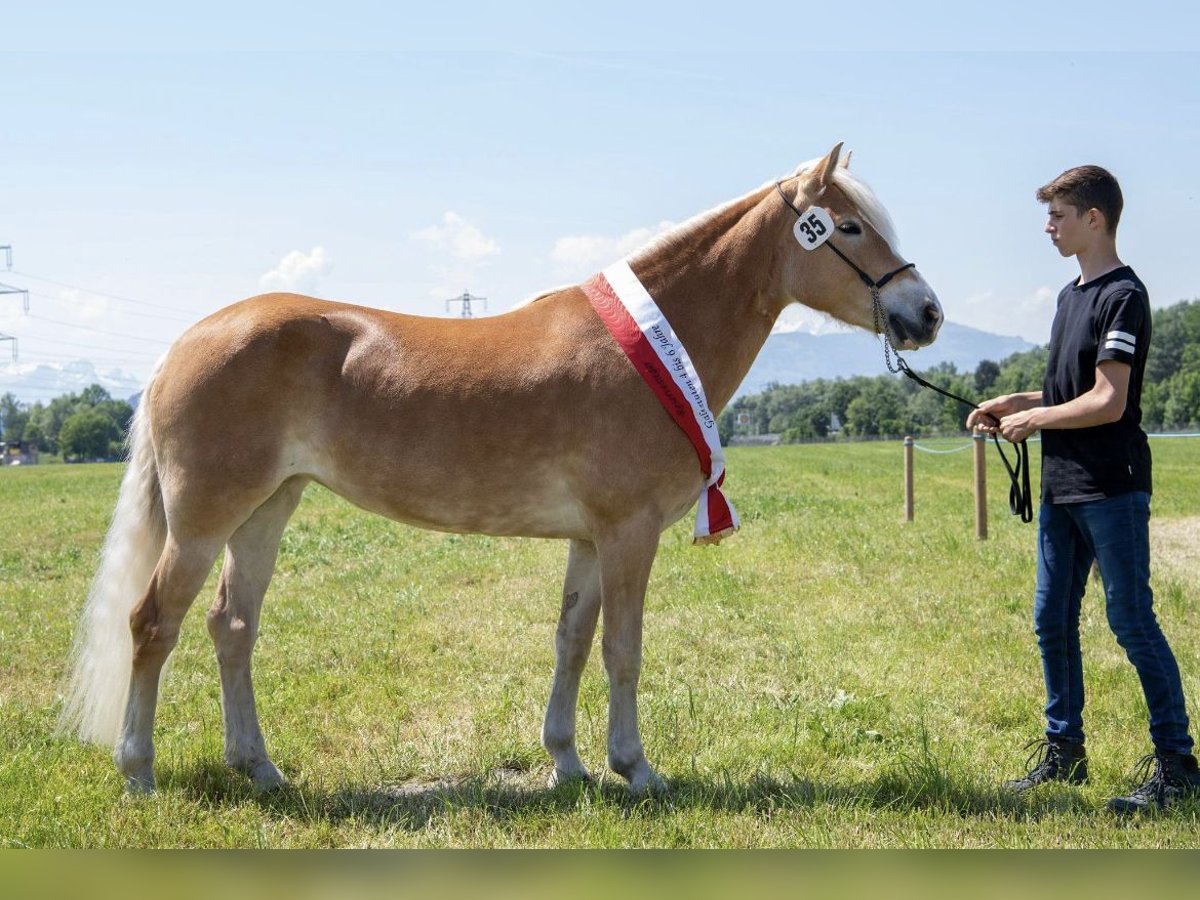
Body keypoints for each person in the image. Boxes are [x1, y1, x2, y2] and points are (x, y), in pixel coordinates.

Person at [967, 164, 1199, 814]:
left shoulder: (1124, 295)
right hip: (1063, 486)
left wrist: (1034, 419)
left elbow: (1108, 399)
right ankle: (1065, 755)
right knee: (1050, 621)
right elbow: (1071, 391)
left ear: (1093, 218)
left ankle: (1178, 768)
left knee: (1130, 621)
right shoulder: (1071, 296)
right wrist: (1012, 400)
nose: (1048, 226)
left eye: (1058, 216)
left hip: (1112, 486)